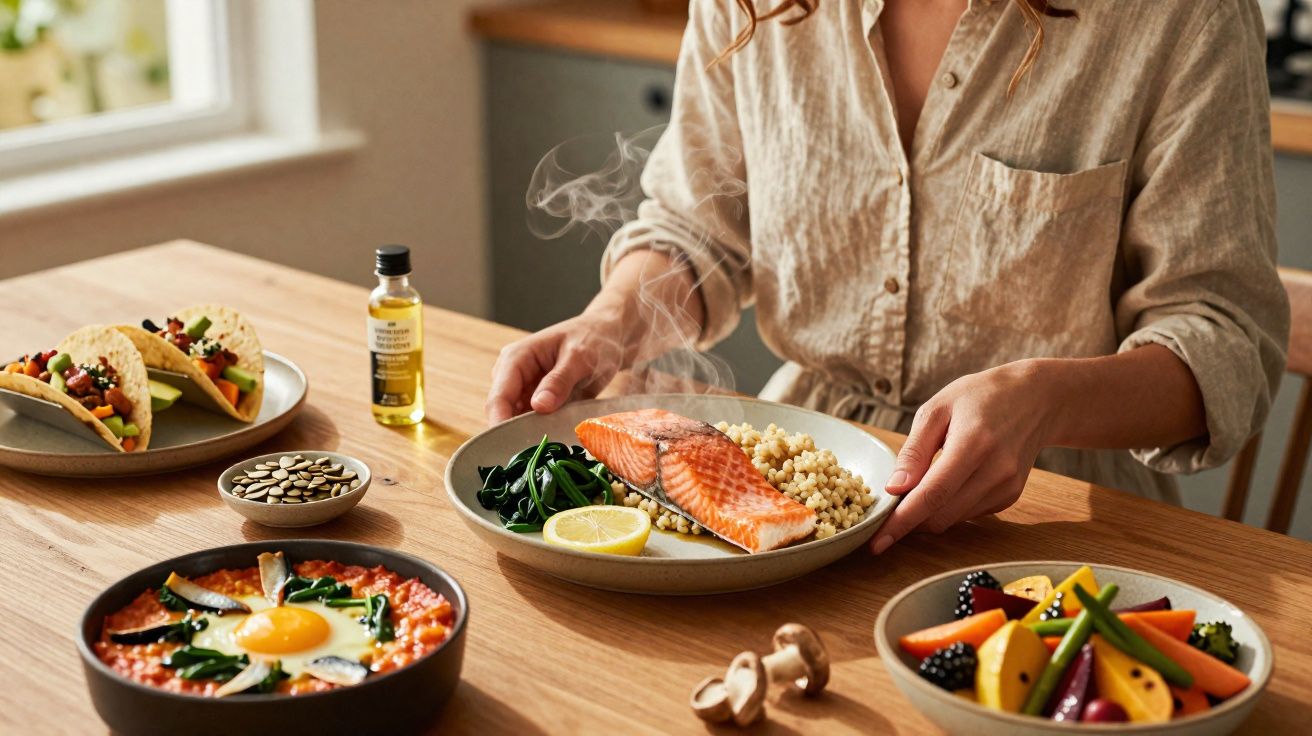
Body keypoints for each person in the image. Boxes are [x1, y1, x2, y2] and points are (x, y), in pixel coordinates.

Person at [485, 0, 1290, 553]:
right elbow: (699, 227)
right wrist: (612, 319)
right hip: (800, 482)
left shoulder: (1180, 17)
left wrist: (1041, 399)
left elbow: (1224, 340)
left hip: (1060, 512)